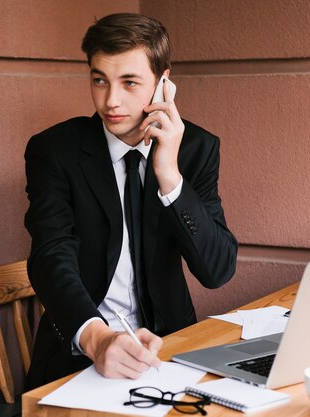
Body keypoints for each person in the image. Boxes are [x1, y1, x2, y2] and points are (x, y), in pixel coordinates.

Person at [24, 12, 238, 389]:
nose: (111, 101)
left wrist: (169, 176)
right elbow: (50, 255)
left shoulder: (196, 150)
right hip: (81, 355)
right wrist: (96, 337)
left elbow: (217, 270)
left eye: (129, 83)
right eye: (99, 81)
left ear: (163, 85)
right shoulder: (54, 151)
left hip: (170, 351)